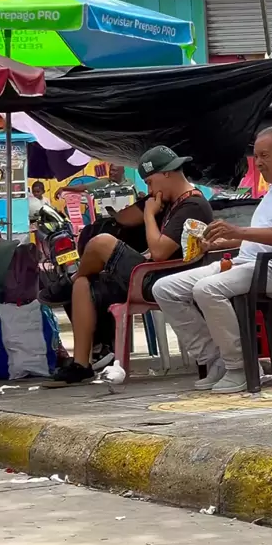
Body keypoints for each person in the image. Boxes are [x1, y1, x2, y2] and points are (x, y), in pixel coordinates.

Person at [152, 126, 272, 394]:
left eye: (264, 155)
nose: (258, 163)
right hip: (248, 262)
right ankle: (216, 360)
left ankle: (240, 367)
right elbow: (262, 237)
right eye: (255, 156)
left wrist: (238, 232)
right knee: (165, 289)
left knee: (207, 289)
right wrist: (221, 243)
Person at [44, 145, 213, 387]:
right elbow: (125, 219)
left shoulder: (192, 205)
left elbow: (160, 252)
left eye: (151, 182)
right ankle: (81, 365)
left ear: (167, 173)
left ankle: (68, 280)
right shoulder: (170, 202)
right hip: (151, 273)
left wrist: (149, 215)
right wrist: (148, 208)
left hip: (165, 279)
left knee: (101, 243)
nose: (150, 190)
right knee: (83, 285)